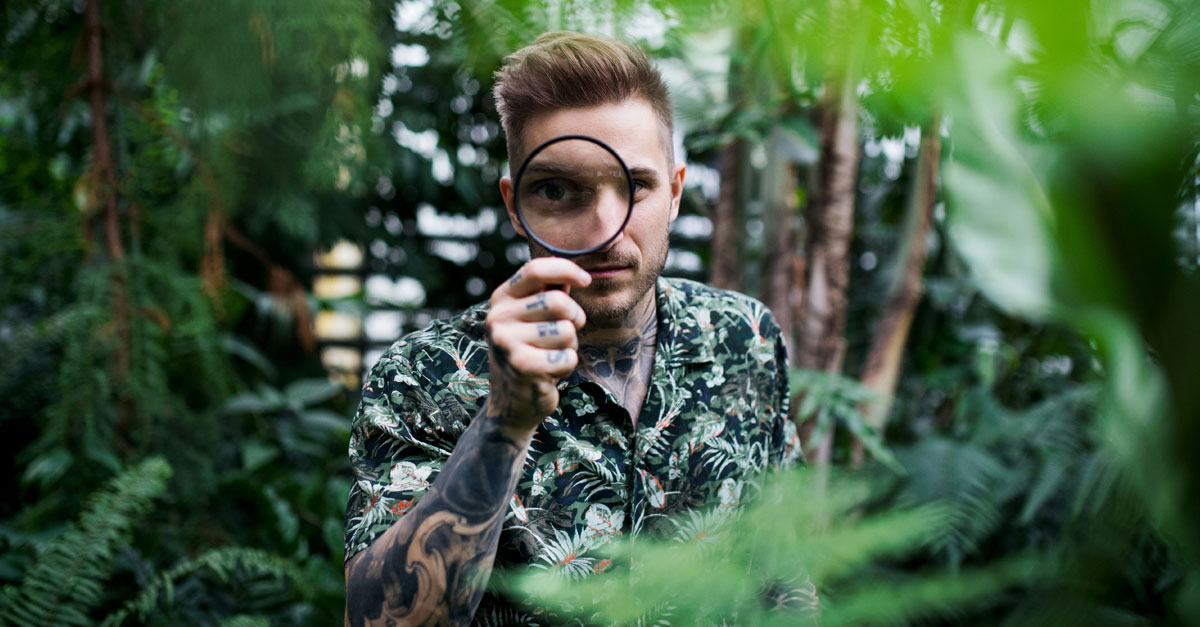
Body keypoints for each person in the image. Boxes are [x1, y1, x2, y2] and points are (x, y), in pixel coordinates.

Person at [344, 31, 804, 625]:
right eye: (558, 190)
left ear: (676, 192)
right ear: (515, 205)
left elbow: (785, 574)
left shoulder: (748, 341)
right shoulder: (422, 379)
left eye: (636, 186)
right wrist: (503, 421)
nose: (607, 228)